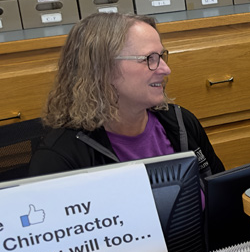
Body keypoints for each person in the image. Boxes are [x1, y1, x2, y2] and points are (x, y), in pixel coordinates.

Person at [29, 13, 224, 181]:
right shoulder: (60, 157)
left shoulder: (180, 122)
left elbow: (221, 198)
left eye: (161, 56)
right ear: (102, 69)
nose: (166, 69)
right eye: (149, 59)